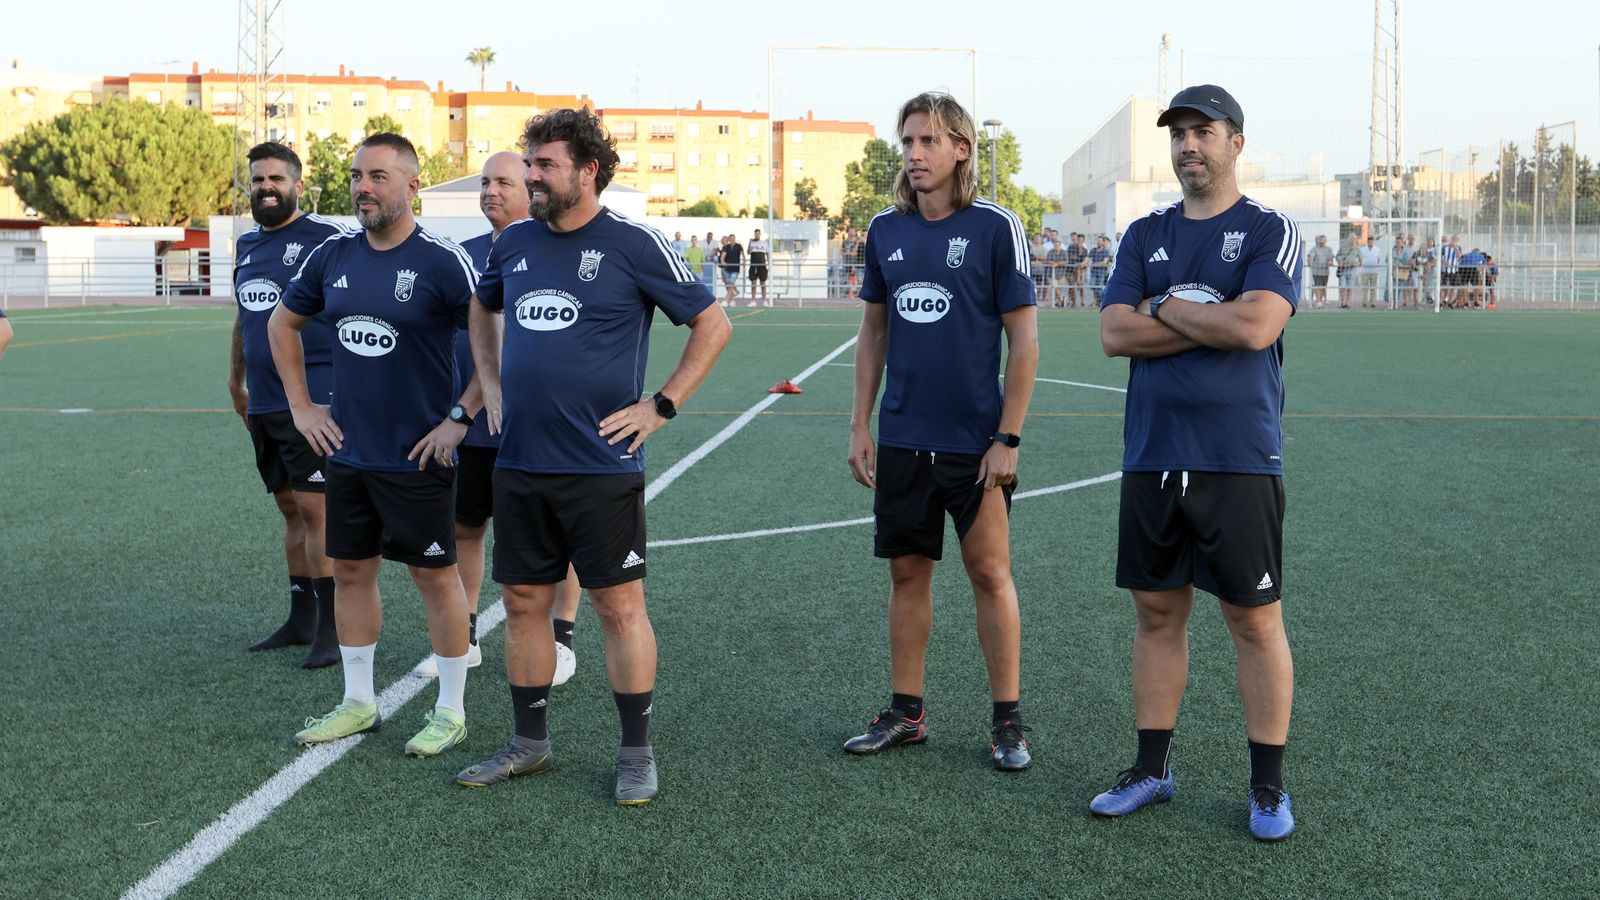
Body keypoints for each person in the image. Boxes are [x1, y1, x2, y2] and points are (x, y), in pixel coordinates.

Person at [460, 108, 732, 804]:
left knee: (617, 606)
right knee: (522, 601)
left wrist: (661, 405)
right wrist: (490, 384)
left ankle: (636, 753)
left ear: (588, 171)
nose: (532, 176)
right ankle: (529, 743)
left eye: (545, 165)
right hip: (520, 460)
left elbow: (711, 323)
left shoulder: (632, 244)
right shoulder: (515, 243)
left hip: (601, 464)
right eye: (529, 163)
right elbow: (482, 308)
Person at [1094, 84, 1300, 842]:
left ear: (1235, 142)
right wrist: (1210, 315)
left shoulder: (1269, 228)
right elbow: (1114, 334)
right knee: (1156, 613)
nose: (1188, 145)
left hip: (1239, 457)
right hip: (1152, 453)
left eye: (1203, 131)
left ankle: (1268, 787)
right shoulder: (1144, 233)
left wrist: (1166, 307)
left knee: (1253, 619)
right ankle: (1152, 769)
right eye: (1178, 133)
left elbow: (1256, 326)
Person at [844, 91, 1040, 773]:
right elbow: (873, 333)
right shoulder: (885, 230)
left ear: (961, 148)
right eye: (907, 141)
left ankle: (1008, 721)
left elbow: (1024, 341)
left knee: (989, 572)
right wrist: (860, 424)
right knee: (906, 572)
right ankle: (907, 713)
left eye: (928, 141)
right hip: (903, 439)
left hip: (975, 443)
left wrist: (1007, 437)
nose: (914, 153)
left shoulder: (996, 227)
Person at [270, 132, 482, 757]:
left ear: (412, 186)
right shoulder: (333, 255)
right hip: (349, 452)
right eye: (357, 175)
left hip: (419, 455)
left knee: (435, 578)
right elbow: (282, 324)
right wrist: (301, 406)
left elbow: (493, 341)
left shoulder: (443, 261)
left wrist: (460, 417)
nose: (362, 187)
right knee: (352, 572)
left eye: (377, 177)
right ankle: (358, 703)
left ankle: (451, 710)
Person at [413, 151, 581, 687]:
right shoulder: (462, 254)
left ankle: (561, 639)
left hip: (539, 426)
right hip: (472, 426)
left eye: (504, 182)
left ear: (529, 187)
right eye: (485, 182)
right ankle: (464, 638)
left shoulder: (556, 247)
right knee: (465, 528)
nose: (491, 191)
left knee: (556, 535)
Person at [229, 141, 352, 669]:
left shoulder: (328, 239)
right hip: (263, 401)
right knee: (289, 508)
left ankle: (333, 628)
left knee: (316, 509)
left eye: (276, 179)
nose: (266, 188)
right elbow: (244, 316)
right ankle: (301, 618)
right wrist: (234, 380)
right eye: (258, 179)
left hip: (313, 401)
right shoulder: (246, 245)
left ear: (299, 186)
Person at [1304, 234, 1334, 309]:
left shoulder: (1329, 249)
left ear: (1325, 241)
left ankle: (1321, 300)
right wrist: (1310, 262)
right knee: (1318, 286)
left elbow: (1331, 258)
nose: (1321, 241)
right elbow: (1310, 257)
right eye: (1320, 240)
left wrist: (1330, 262)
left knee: (1323, 287)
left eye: (1323, 240)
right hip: (1316, 272)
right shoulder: (1314, 249)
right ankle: (1318, 302)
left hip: (1325, 272)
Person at [1336, 234, 1361, 309]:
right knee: (1343, 287)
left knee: (1350, 287)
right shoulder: (1343, 247)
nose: (1353, 240)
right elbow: (1337, 256)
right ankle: (1342, 302)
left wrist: (1357, 263)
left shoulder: (1357, 249)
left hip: (1352, 270)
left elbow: (1361, 260)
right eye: (1351, 238)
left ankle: (1346, 303)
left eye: (1355, 238)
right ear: (1348, 239)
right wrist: (1340, 261)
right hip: (1343, 270)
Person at [747, 228, 771, 307]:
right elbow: (748, 252)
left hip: (762, 265)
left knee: (763, 282)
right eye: (755, 234)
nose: (756, 235)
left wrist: (769, 264)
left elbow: (767, 254)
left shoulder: (764, 243)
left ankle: (764, 300)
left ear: (760, 234)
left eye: (758, 234)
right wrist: (750, 243)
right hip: (753, 265)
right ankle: (753, 300)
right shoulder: (752, 243)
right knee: (753, 283)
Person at [1089, 234, 1114, 306]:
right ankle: (1098, 301)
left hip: (1102, 272)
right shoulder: (1093, 250)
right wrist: (1082, 264)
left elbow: (1104, 262)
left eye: (1100, 241)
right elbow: (1088, 258)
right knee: (1092, 285)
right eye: (1098, 241)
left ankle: (1101, 302)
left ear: (1103, 242)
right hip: (1093, 271)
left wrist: (1095, 264)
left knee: (1100, 287)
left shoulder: (1106, 251)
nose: (1099, 242)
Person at [684, 235, 712, 302]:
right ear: (691, 241)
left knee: (699, 286)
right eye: (692, 240)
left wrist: (703, 269)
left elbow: (703, 261)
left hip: (699, 271)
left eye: (695, 240)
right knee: (693, 286)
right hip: (692, 271)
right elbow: (685, 257)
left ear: (697, 241)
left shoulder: (700, 250)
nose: (694, 241)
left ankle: (698, 299)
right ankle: (693, 299)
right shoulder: (688, 249)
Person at [721, 233, 743, 306]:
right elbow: (723, 255)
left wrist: (744, 262)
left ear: (735, 239)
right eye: (730, 239)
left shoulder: (738, 246)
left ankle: (726, 299)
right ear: (729, 240)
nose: (732, 240)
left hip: (735, 269)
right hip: (727, 269)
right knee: (728, 284)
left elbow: (743, 255)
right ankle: (732, 299)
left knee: (731, 283)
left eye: (733, 238)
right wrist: (722, 262)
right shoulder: (726, 247)